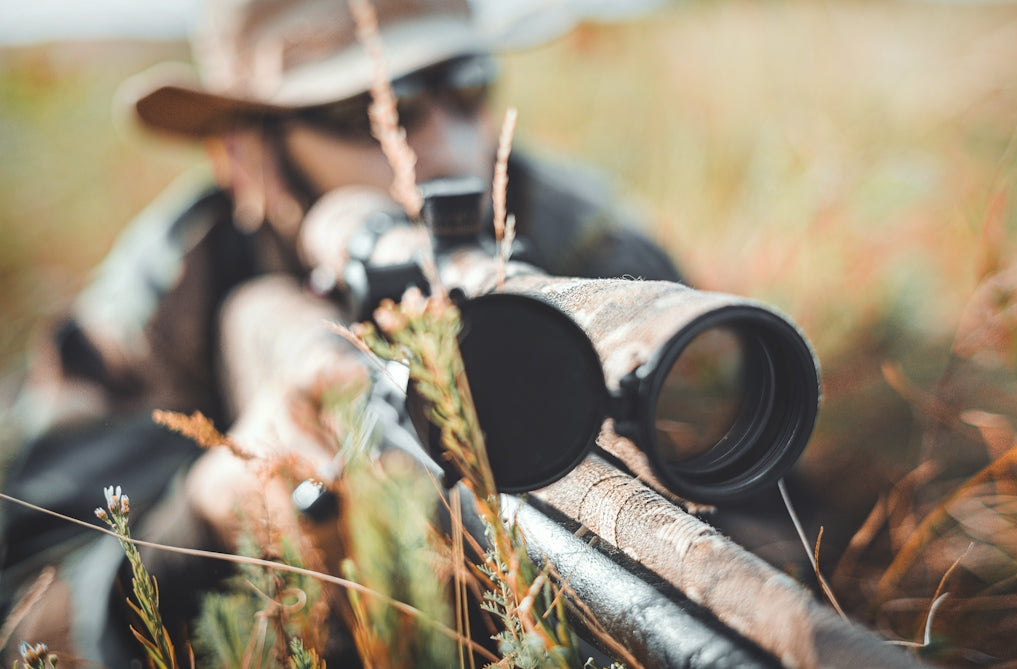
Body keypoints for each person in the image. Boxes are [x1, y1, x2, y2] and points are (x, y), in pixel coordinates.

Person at [0, 0, 682, 664]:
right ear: (244, 156)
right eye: (370, 114)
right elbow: (24, 609)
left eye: (468, 87)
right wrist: (204, 520)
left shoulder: (592, 250)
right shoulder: (162, 296)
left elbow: (761, 516)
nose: (449, 150)